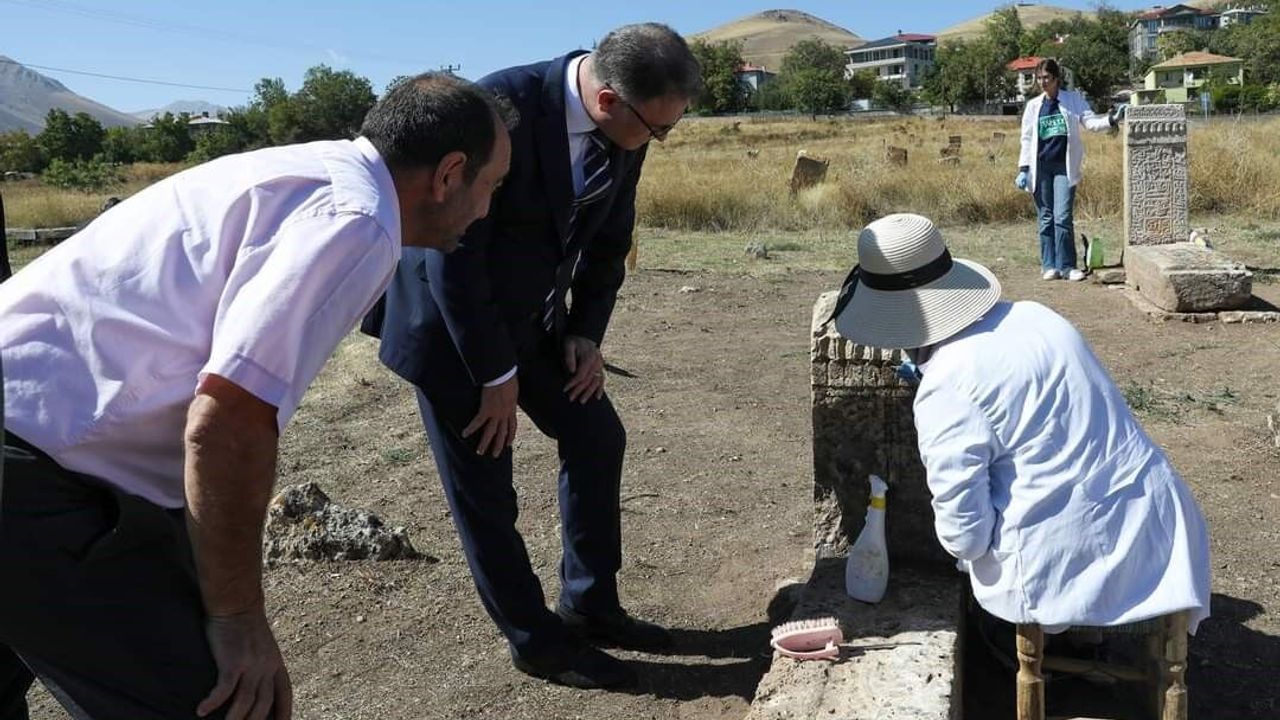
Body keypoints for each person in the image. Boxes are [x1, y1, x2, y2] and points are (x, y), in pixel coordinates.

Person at [0, 72, 513, 720]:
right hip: (35, 474)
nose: (486, 209)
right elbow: (227, 423)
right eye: (492, 185)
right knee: (228, 705)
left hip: (35, 443)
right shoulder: (357, 222)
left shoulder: (308, 174)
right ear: (450, 174)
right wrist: (238, 617)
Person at [364, 23, 701, 690]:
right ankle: (538, 644)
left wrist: (585, 332)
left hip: (534, 322)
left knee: (595, 434)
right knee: (487, 487)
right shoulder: (497, 111)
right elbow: (453, 258)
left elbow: (610, 238)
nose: (658, 141)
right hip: (453, 329)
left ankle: (590, 605)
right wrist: (495, 376)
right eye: (657, 131)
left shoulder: (625, 127)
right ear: (608, 100)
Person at [831, 213, 1211, 636]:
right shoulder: (1036, 315)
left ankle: (1061, 645)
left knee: (984, 571)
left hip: (1073, 561)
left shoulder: (947, 382)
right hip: (1162, 526)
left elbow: (965, 536)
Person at [1016, 58, 1126, 282]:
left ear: (1056, 79)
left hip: (1063, 167)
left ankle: (1067, 266)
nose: (1043, 82)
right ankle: (1049, 265)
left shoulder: (1073, 100)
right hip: (1040, 167)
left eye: (1047, 78)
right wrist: (1023, 168)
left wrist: (1112, 119)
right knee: (1046, 218)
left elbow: (1090, 122)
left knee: (1062, 216)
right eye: (1039, 78)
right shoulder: (1033, 106)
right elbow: (1026, 139)